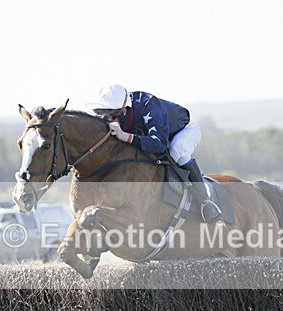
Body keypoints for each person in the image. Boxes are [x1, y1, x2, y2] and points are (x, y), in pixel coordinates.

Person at [86, 84, 221, 222]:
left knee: (176, 150)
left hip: (182, 132)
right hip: (156, 136)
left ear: (124, 110)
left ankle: (206, 201)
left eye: (110, 116)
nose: (108, 121)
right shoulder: (118, 109)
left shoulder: (149, 106)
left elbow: (159, 145)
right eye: (103, 116)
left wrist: (126, 137)